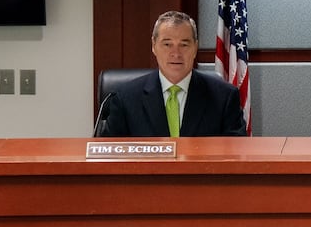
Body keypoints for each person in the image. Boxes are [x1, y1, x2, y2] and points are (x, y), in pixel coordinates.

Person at [97, 10, 246, 137]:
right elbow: (109, 159)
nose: (176, 53)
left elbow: (235, 156)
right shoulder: (125, 98)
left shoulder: (224, 97)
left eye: (184, 44)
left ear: (195, 47)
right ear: (154, 46)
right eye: (167, 44)